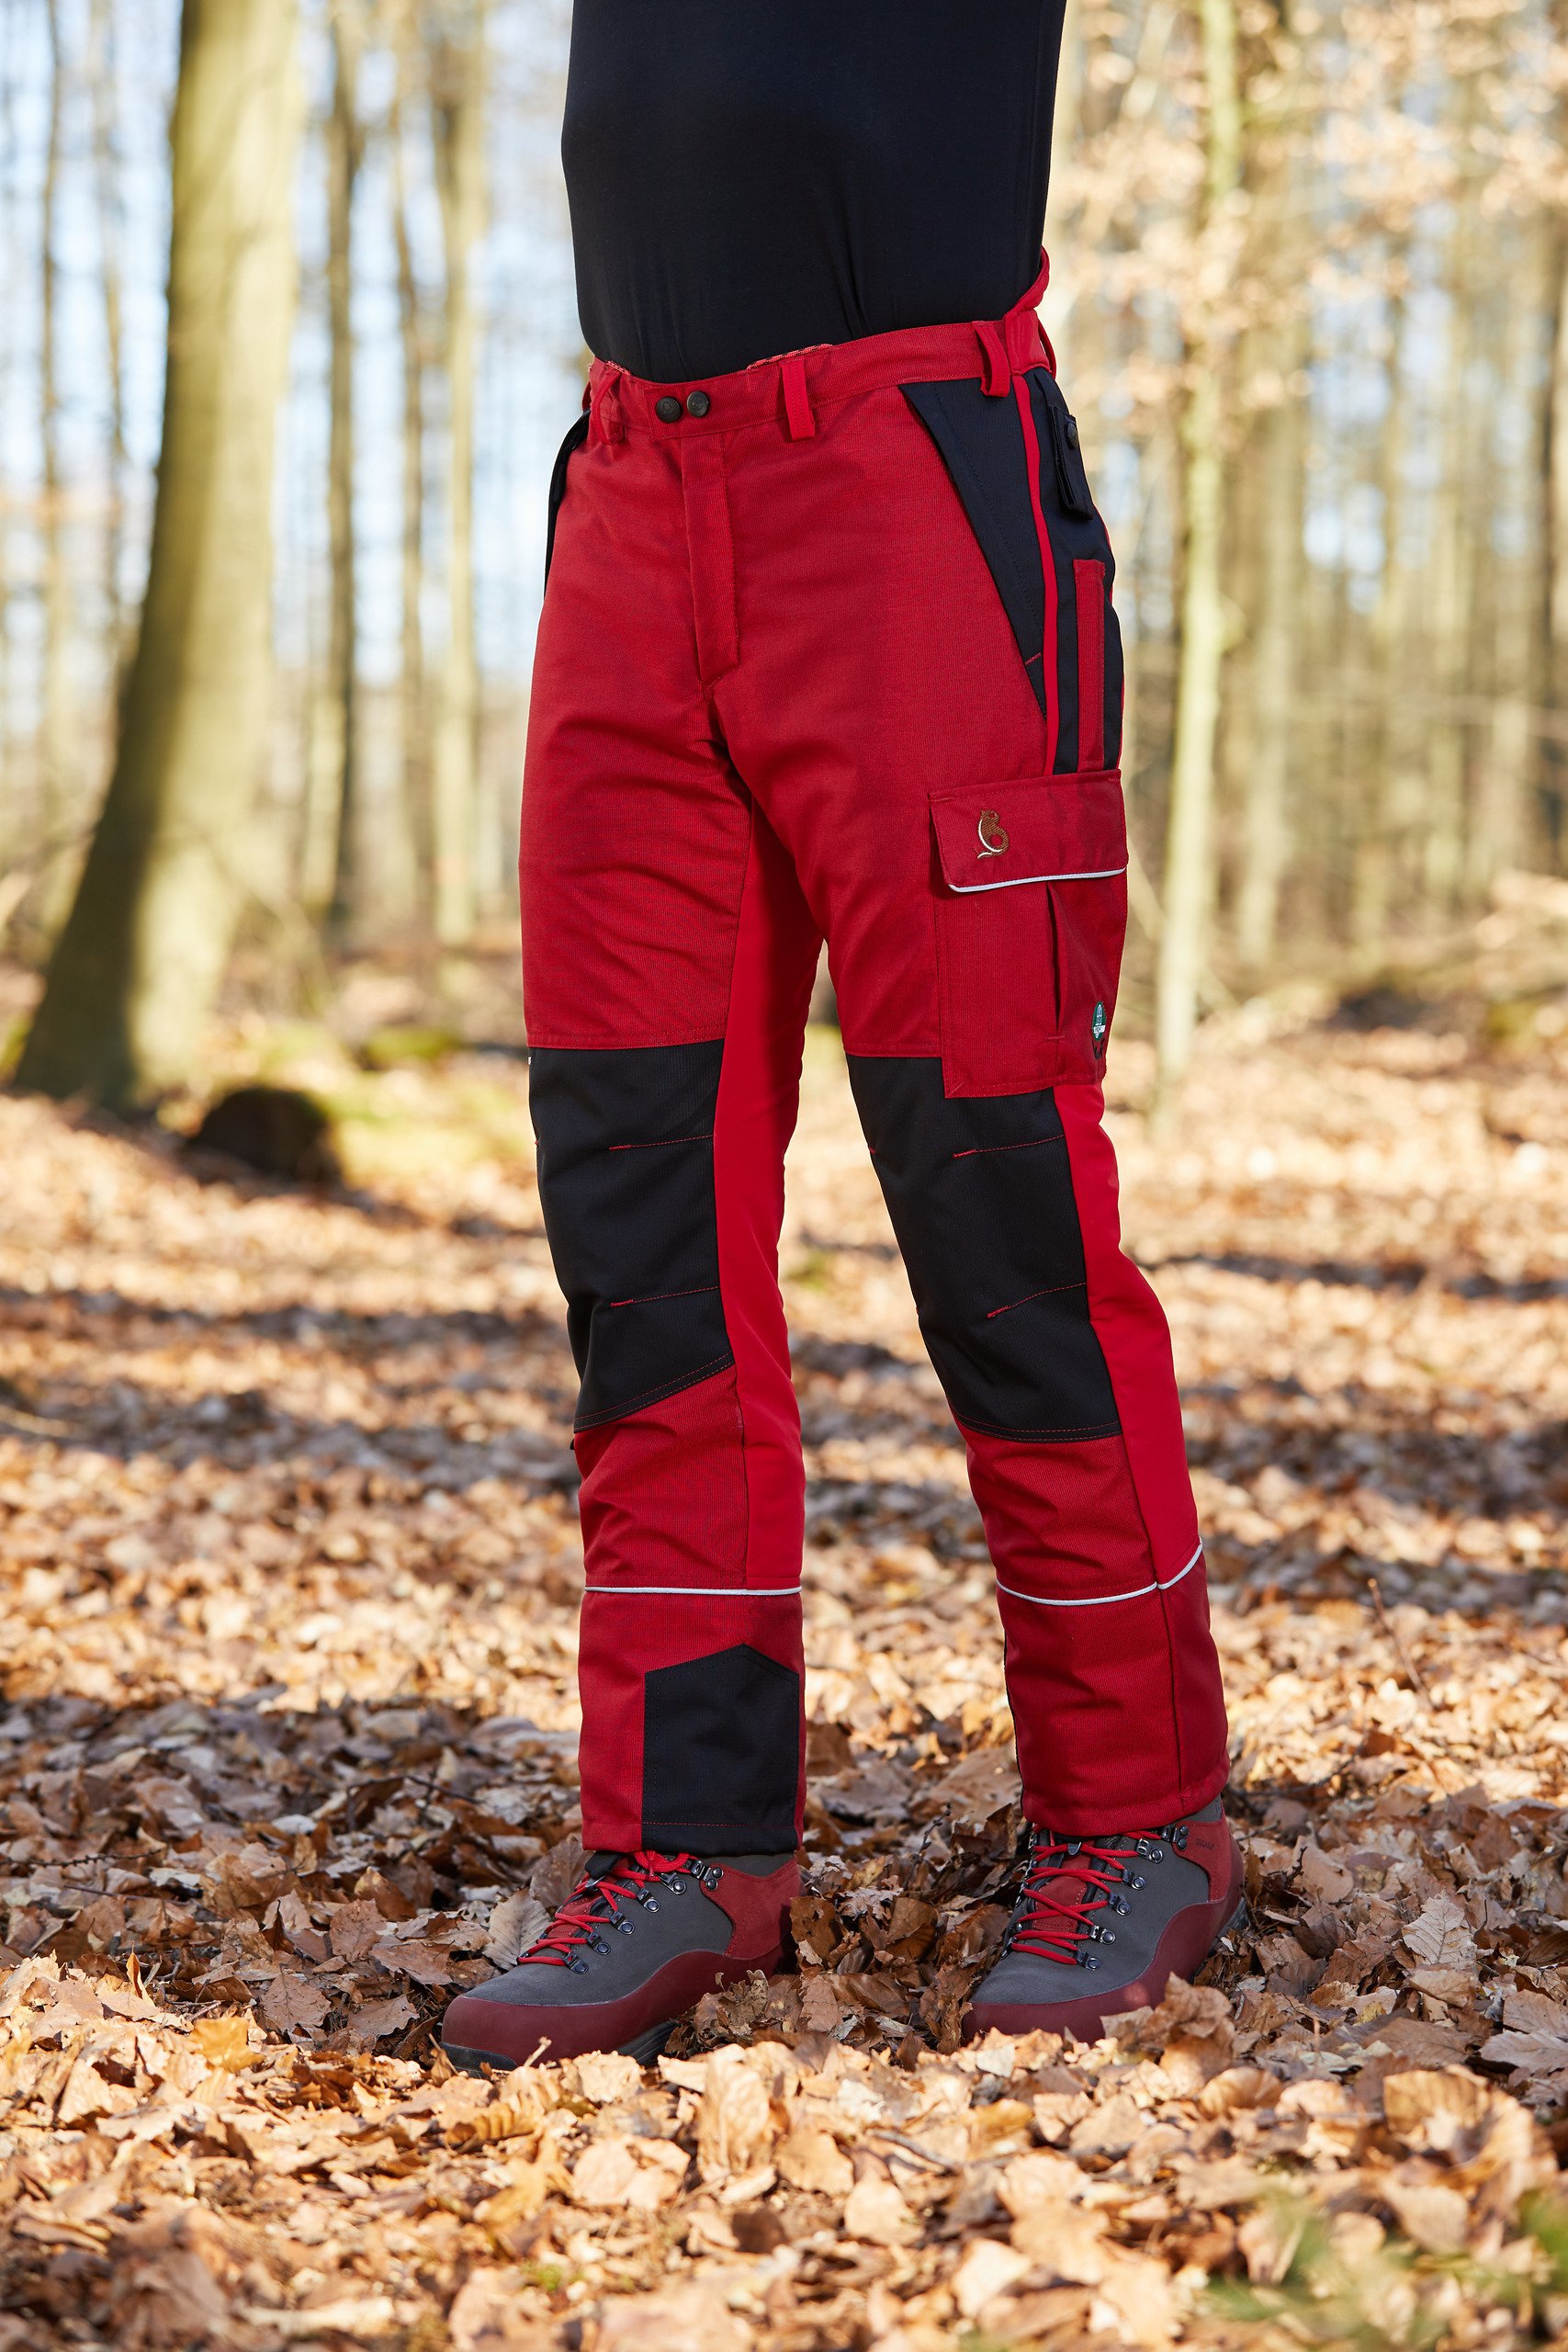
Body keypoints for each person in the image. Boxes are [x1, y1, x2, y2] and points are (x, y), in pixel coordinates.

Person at [441, 0, 1239, 2073]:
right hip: (630, 501)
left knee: (997, 1200)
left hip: (914, 494)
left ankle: (1137, 1815)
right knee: (637, 1222)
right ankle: (685, 1845)